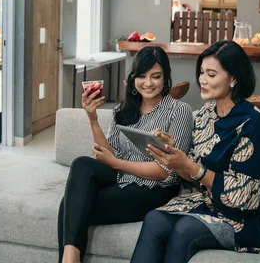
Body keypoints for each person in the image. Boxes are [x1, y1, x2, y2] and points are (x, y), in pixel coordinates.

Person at [131, 40, 260, 263]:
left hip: (253, 213)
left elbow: (242, 198)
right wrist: (174, 155)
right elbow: (192, 174)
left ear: (233, 78)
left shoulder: (254, 123)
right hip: (210, 202)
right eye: (202, 72)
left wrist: (190, 166)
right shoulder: (205, 114)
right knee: (155, 219)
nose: (202, 80)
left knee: (185, 228)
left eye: (211, 74)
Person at [58, 46, 194, 263]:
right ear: (133, 78)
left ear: (166, 78)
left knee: (69, 205)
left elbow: (166, 172)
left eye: (155, 76)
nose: (148, 83)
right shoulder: (124, 108)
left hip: (153, 191)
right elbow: (109, 153)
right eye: (142, 76)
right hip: (121, 180)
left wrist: (117, 163)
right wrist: (92, 118)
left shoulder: (179, 110)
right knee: (82, 165)